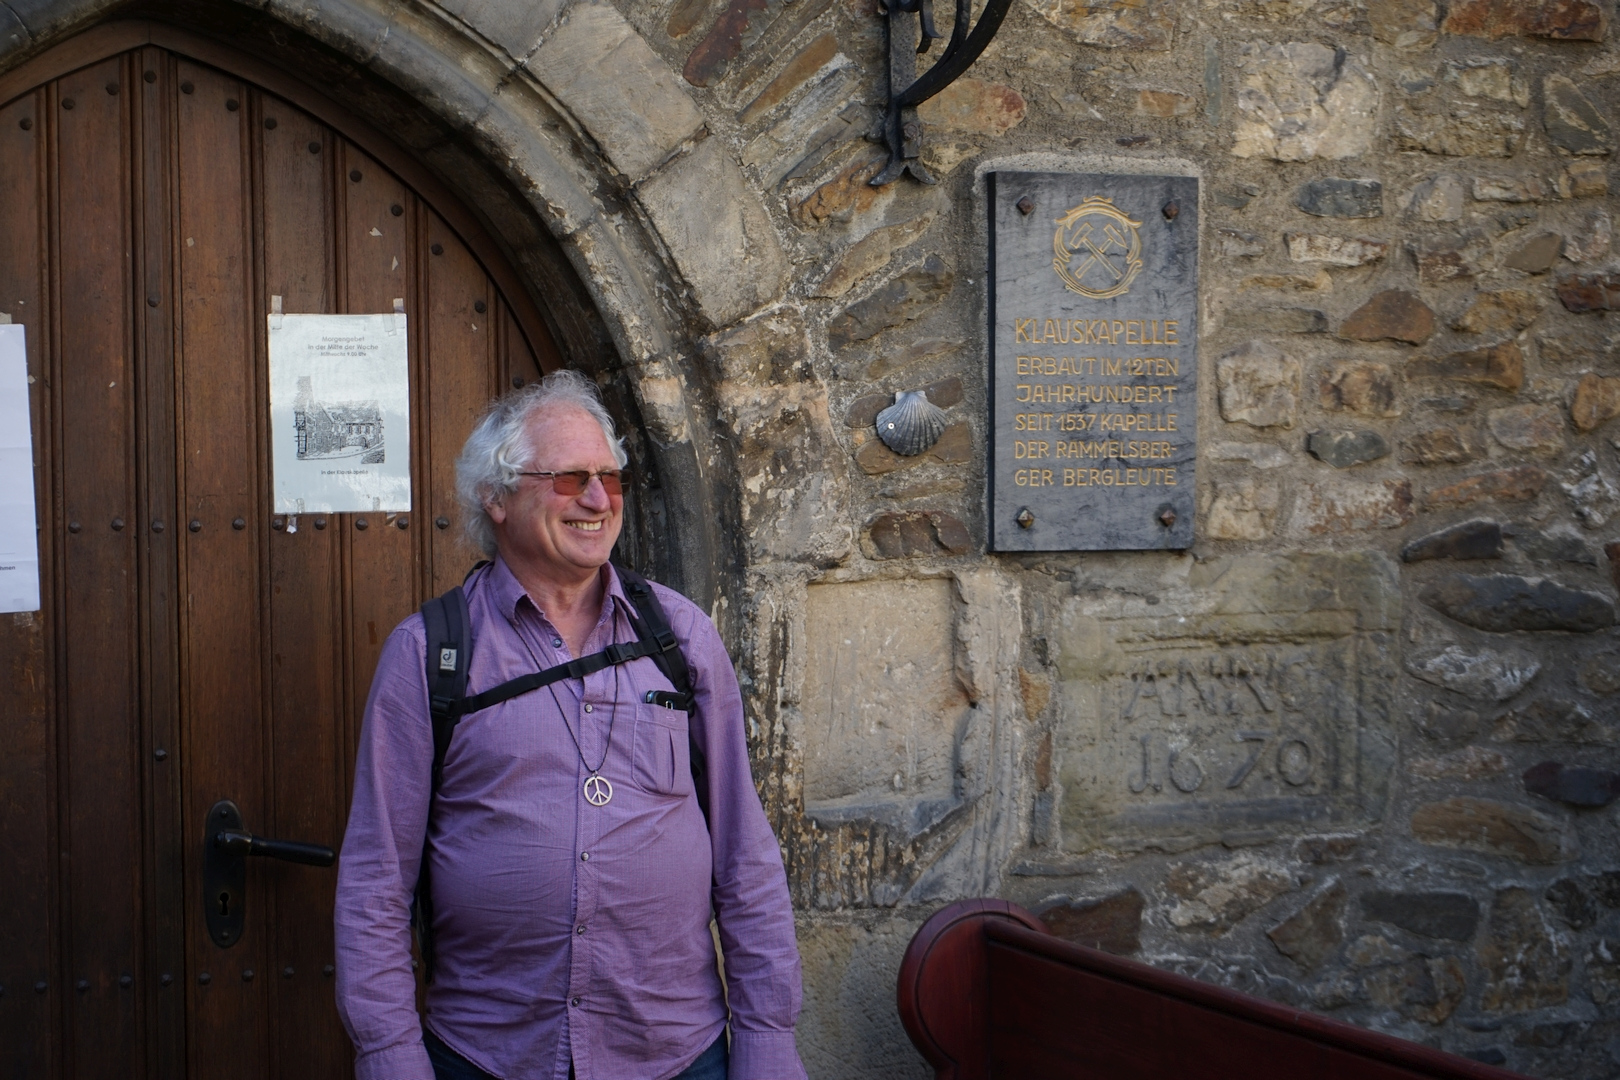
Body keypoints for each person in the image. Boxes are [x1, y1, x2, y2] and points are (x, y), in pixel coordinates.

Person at [334, 370, 806, 1080]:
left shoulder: (681, 638)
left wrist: (767, 1040)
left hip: (675, 1054)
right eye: (570, 478)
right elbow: (376, 881)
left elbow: (744, 853)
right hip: (488, 1056)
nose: (597, 499)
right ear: (496, 497)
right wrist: (390, 1055)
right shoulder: (429, 653)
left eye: (610, 479)